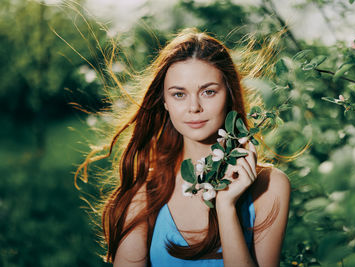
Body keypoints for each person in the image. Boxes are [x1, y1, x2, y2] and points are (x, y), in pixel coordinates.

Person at [77, 28, 290, 267]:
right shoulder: (146, 195)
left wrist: (225, 206)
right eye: (179, 95)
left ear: (229, 94)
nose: (194, 107)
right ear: (165, 102)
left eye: (208, 92)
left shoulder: (271, 185)